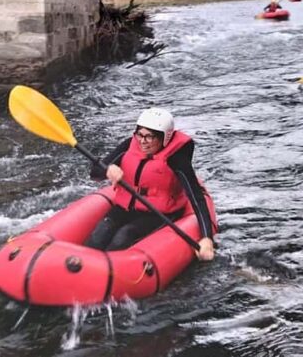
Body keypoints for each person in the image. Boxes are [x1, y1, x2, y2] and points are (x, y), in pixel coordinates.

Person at [87, 108, 216, 261]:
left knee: (123, 236)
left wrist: (207, 237)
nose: (143, 141)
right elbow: (94, 173)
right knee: (100, 233)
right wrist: (107, 169)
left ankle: (107, 274)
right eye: (140, 135)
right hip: (125, 208)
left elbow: (196, 197)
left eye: (150, 137)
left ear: (165, 138)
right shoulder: (129, 145)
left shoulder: (177, 159)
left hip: (158, 214)